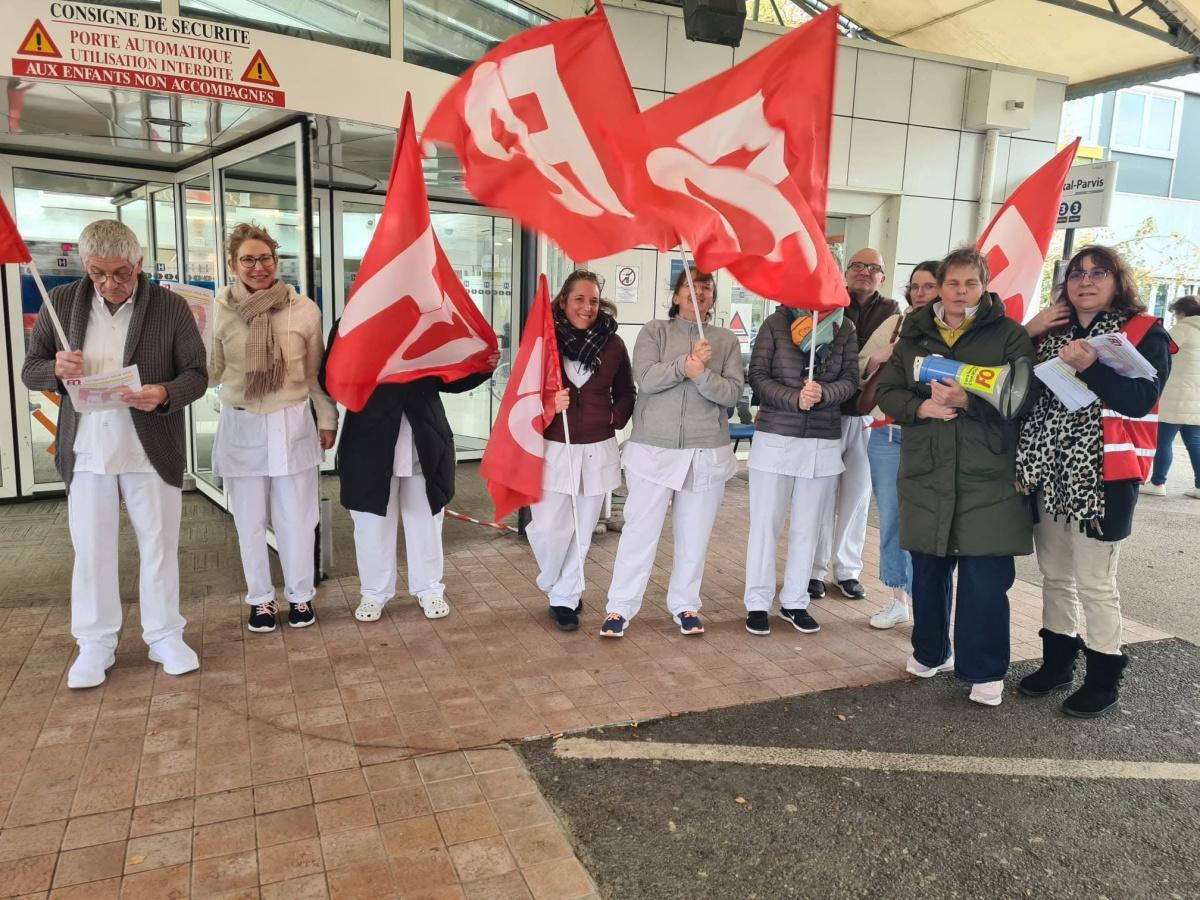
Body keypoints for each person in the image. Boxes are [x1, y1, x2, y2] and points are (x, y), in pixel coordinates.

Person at [21, 220, 207, 688]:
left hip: (151, 445)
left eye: (121, 272)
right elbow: (30, 369)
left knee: (160, 547)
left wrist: (164, 392)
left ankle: (165, 634)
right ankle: (96, 643)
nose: (110, 283)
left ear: (140, 262)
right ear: (86, 266)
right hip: (87, 448)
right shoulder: (62, 302)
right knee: (92, 549)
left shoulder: (170, 306)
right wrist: (55, 370)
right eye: (98, 273)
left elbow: (198, 374)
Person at [876, 247, 1037, 707]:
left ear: (984, 286)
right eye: (952, 284)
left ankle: (984, 671)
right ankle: (930, 652)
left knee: (985, 580)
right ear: (939, 286)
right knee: (928, 572)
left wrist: (970, 402)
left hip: (987, 476)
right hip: (926, 471)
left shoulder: (1008, 335)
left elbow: (1025, 401)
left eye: (970, 284)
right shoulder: (915, 334)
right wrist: (919, 407)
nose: (960, 292)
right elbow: (887, 391)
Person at [1017, 246, 1172, 717]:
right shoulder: (1053, 331)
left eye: (1097, 272)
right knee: (1055, 577)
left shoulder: (1145, 333)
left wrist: (1091, 366)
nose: (1085, 281)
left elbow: (1141, 400)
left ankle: (1105, 676)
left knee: (1096, 583)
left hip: (1104, 479)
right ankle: (1058, 662)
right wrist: (1030, 335)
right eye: (1076, 274)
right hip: (1050, 474)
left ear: (1116, 280)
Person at [210, 223, 338, 633]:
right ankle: (261, 600)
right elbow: (211, 372)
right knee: (249, 521)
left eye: (264, 258)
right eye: (247, 259)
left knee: (297, 520)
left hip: (291, 422)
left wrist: (328, 417)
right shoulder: (217, 307)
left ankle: (301, 597)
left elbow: (317, 374)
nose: (257, 266)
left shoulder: (304, 309)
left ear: (276, 261)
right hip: (242, 423)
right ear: (233, 264)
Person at [601, 269, 743, 638]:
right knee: (639, 531)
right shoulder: (654, 332)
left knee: (694, 535)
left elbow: (730, 394)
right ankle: (620, 607)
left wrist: (701, 374)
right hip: (654, 449)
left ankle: (685, 604)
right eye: (689, 287)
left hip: (705, 450)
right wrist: (684, 364)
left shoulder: (725, 340)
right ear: (677, 294)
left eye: (706, 287)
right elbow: (645, 379)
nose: (698, 293)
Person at [323, 330, 499, 624]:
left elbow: (449, 376)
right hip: (370, 438)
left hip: (424, 438)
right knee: (371, 523)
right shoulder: (357, 321)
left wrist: (483, 366)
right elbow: (329, 375)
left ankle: (429, 588)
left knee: (426, 521)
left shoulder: (427, 323)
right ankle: (373, 592)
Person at [527, 272, 635, 631]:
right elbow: (523, 394)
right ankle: (554, 580)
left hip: (597, 448)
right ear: (563, 301)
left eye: (593, 300)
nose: (587, 307)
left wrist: (612, 417)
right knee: (547, 527)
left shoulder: (613, 344)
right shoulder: (546, 342)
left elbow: (625, 393)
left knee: (583, 529)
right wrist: (548, 403)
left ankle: (566, 597)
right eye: (580, 299)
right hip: (555, 447)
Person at [742, 304, 858, 636]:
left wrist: (824, 393)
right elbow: (758, 377)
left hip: (822, 440)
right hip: (776, 436)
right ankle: (757, 603)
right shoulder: (776, 323)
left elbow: (851, 379)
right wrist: (794, 398)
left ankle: (795, 601)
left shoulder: (844, 327)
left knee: (809, 527)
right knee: (766, 525)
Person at [811, 248, 901, 602]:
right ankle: (814, 571)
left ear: (883, 276)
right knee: (819, 496)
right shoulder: (828, 303)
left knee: (857, 496)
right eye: (858, 266)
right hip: (826, 412)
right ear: (846, 272)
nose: (864, 272)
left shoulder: (894, 313)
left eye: (873, 268)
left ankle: (846, 570)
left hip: (866, 415)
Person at [859, 261, 940, 630]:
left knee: (929, 523)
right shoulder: (897, 324)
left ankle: (929, 603)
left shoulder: (954, 331)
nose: (920, 293)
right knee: (893, 520)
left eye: (929, 286)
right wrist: (884, 354)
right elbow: (862, 364)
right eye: (916, 286)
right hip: (887, 436)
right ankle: (898, 599)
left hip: (930, 436)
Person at [1142, 295, 1200, 498]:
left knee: (1163, 440)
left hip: (1177, 395)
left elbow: (1163, 349)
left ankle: (1158, 483)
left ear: (1182, 312)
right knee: (1194, 441)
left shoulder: (1183, 329)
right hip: (1196, 397)